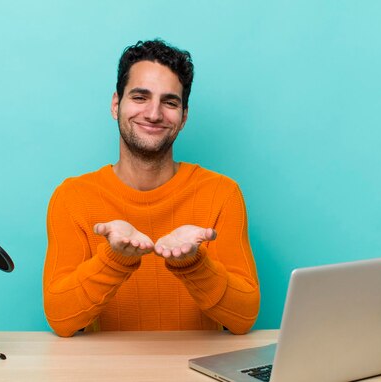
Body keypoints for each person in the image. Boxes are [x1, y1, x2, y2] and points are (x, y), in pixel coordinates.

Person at [43, 39, 260, 337]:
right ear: (116, 104)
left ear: (183, 117)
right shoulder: (72, 198)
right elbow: (60, 319)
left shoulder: (222, 194)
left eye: (170, 102)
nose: (154, 114)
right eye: (140, 97)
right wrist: (116, 258)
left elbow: (244, 317)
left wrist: (194, 263)